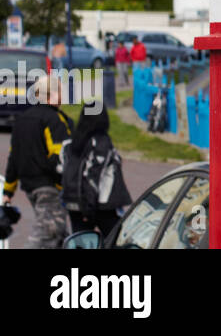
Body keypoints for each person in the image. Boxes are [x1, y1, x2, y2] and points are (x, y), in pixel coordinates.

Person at [2, 75, 73, 248]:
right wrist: (69, 184)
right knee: (48, 232)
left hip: (29, 186)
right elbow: (62, 156)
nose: (63, 97)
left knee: (60, 235)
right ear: (51, 95)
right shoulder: (55, 119)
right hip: (50, 186)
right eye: (60, 92)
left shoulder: (22, 120)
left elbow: (14, 157)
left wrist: (8, 192)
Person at [62, 102, 131, 239]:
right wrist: (88, 209)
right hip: (100, 205)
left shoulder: (72, 143)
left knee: (80, 242)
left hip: (74, 204)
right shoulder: (101, 142)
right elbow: (94, 175)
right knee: (117, 240)